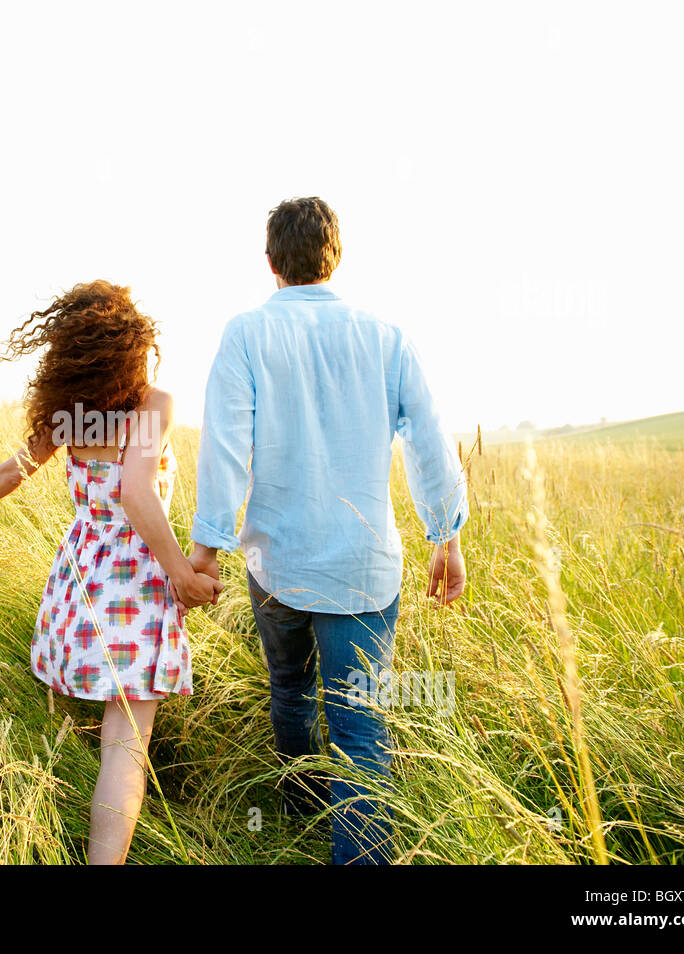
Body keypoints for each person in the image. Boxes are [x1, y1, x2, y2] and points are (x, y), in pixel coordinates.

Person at [189, 197, 468, 864]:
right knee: (360, 726)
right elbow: (428, 441)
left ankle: (302, 809)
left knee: (289, 691)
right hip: (363, 571)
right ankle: (350, 844)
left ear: (270, 263)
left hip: (276, 565)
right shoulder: (386, 337)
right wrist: (445, 537)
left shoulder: (246, 333)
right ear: (334, 257)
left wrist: (205, 551)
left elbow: (225, 447)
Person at [0, 280, 221, 864]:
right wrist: (178, 571)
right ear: (132, 346)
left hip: (78, 580)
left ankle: (31, 824)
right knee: (125, 745)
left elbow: (13, 471)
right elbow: (136, 491)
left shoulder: (70, 416)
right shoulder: (152, 405)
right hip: (135, 581)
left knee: (66, 716)